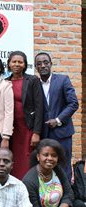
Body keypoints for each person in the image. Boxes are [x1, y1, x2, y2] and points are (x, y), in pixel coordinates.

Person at [22, 138, 86, 207]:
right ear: (38, 157)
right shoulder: (29, 180)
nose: (50, 159)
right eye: (45, 155)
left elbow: (69, 193)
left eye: (54, 155)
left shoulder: (57, 170)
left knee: (80, 206)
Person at [34, 52, 79, 183]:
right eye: (39, 64)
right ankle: (49, 198)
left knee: (63, 166)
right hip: (44, 134)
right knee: (46, 166)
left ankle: (67, 198)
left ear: (51, 64)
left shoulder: (62, 80)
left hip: (62, 132)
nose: (43, 66)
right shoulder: (34, 83)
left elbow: (73, 103)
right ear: (36, 67)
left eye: (45, 62)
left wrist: (58, 120)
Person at [6, 50, 43, 180]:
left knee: (26, 160)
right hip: (11, 129)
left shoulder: (32, 80)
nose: (17, 64)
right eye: (14, 61)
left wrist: (36, 132)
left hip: (27, 128)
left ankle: (27, 189)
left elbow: (39, 107)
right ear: (9, 64)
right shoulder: (5, 82)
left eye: (20, 62)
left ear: (25, 64)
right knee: (13, 158)